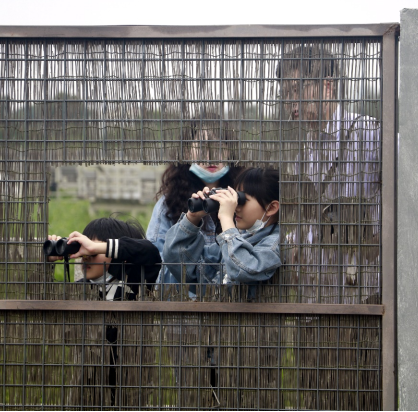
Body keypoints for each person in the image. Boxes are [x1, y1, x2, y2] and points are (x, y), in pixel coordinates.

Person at [277, 44, 381, 304]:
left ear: (328, 85)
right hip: (317, 296)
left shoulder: (370, 134)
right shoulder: (305, 153)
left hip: (365, 294)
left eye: (297, 89)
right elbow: (309, 218)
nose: (291, 102)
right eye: (286, 94)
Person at [47, 215, 161, 406]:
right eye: (84, 250)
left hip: (130, 386)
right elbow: (43, 301)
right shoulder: (81, 289)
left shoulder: (135, 284)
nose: (86, 256)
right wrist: (50, 260)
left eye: (93, 251)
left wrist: (98, 247)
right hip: (86, 388)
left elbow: (149, 252)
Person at [146, 117, 242, 299]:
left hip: (233, 308)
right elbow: (155, 260)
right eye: (202, 146)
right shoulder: (169, 203)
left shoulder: (244, 198)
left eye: (219, 146)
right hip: (179, 307)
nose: (211, 155)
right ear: (187, 151)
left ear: (230, 152)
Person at [163, 167, 281, 301]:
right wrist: (192, 219)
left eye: (242, 200)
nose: (235, 206)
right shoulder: (239, 239)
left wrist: (226, 219)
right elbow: (182, 268)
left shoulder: (274, 245)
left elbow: (244, 269)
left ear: (271, 208)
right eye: (235, 198)